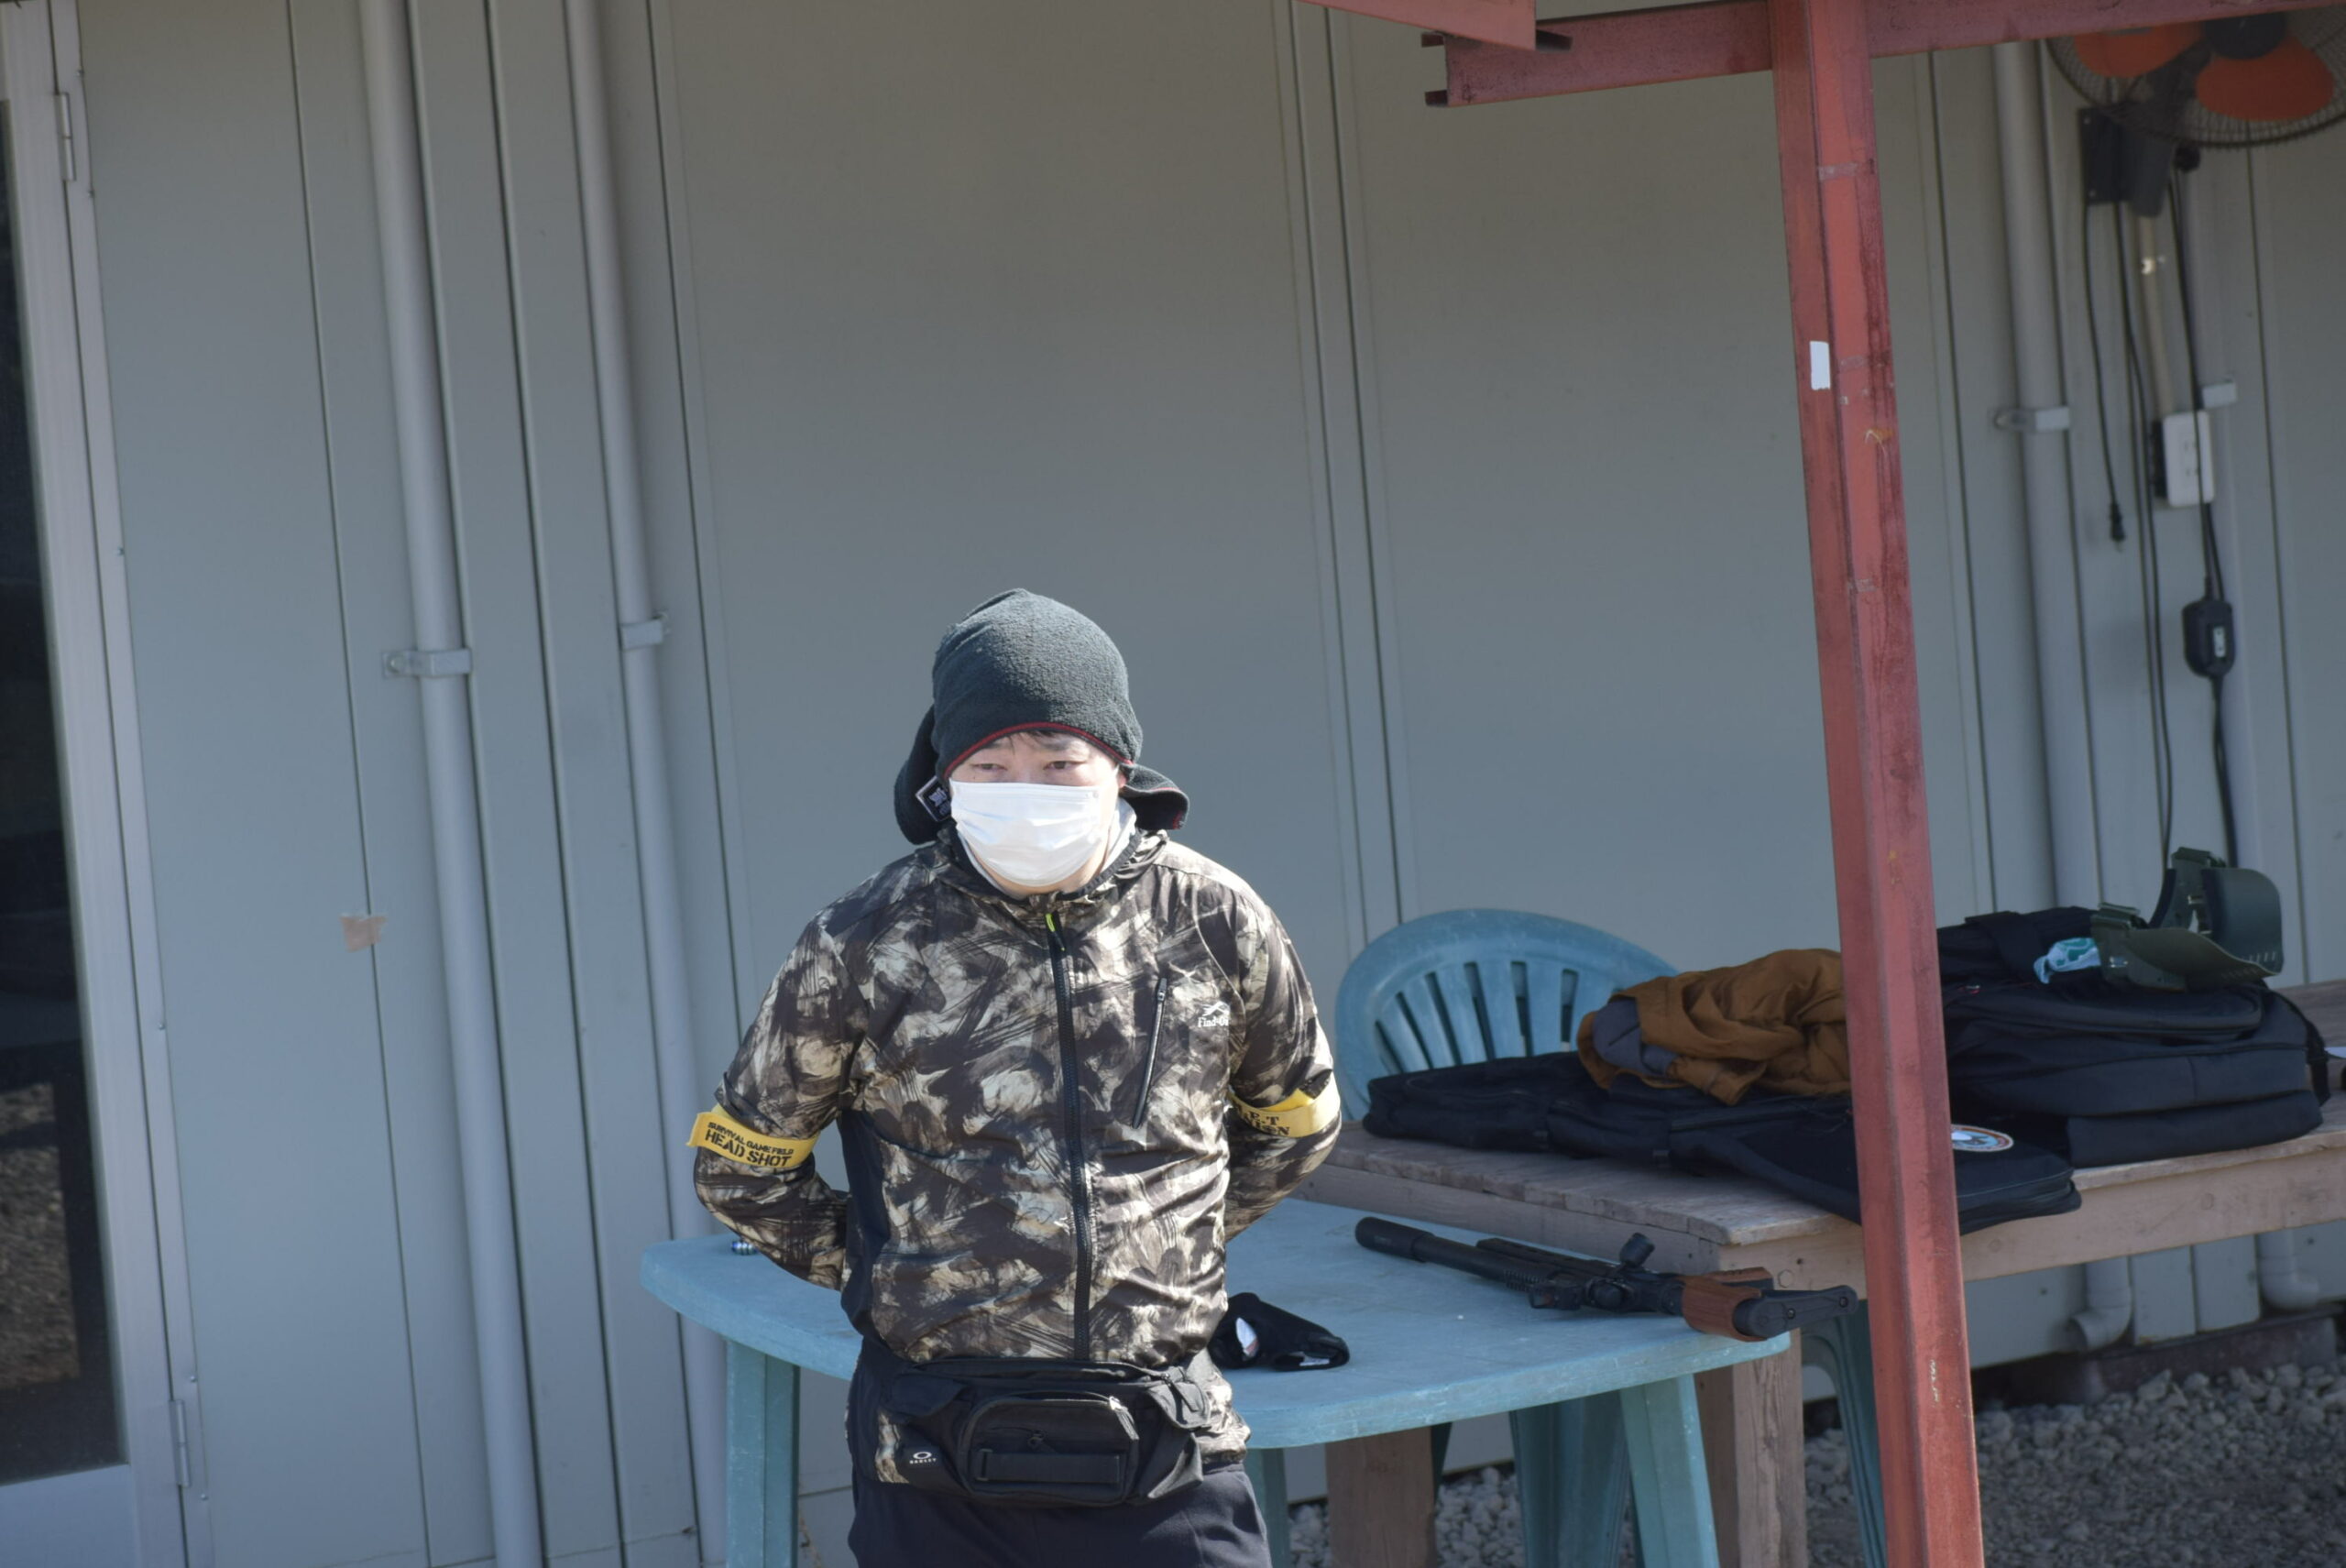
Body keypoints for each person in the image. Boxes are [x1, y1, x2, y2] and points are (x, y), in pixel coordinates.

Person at [693, 589, 1342, 1567]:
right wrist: (897, 1264)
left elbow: (1296, 1119)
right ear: (944, 777)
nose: (1024, 789)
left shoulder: (1213, 918)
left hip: (1167, 1435)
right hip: (933, 1440)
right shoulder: (865, 938)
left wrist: (1163, 1237)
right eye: (990, 765)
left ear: (1118, 766)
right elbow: (743, 1166)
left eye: (1057, 761)